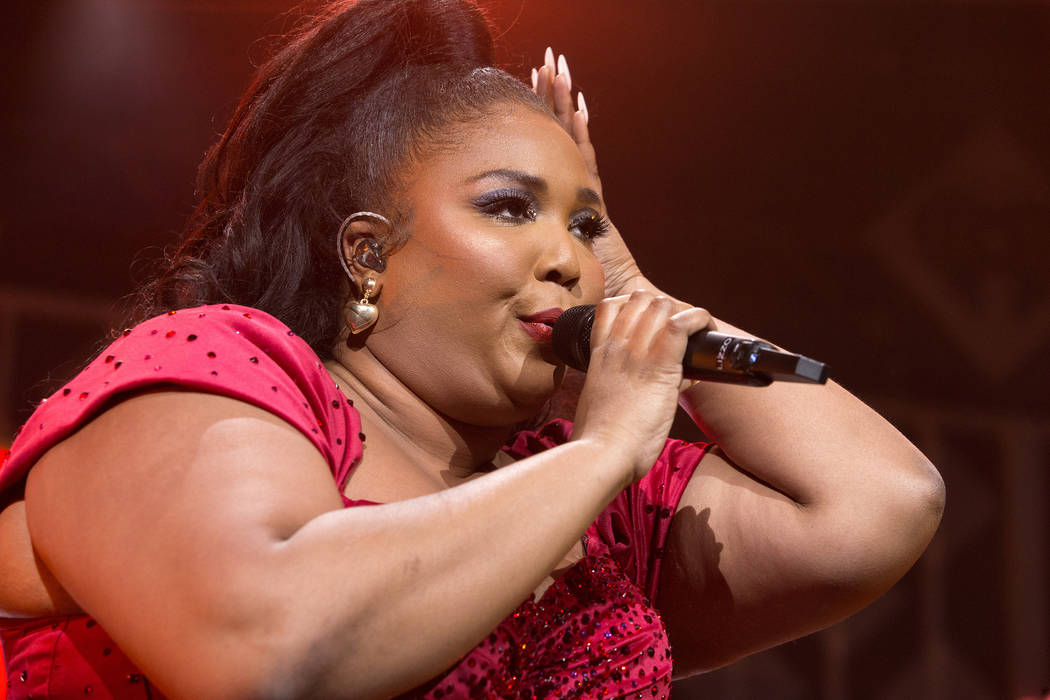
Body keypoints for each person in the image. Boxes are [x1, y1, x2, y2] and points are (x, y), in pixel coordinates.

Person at [0, 0, 945, 697]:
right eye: (509, 207)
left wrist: (630, 286)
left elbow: (878, 506)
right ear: (368, 252)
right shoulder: (222, 367)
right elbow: (263, 653)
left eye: (586, 225)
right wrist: (605, 450)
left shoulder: (572, 496)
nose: (565, 259)